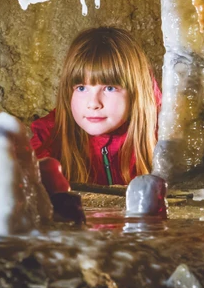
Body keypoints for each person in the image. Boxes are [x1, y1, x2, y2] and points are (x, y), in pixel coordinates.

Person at [31, 27, 161, 186]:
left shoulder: (164, 134)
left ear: (135, 92)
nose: (93, 103)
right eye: (81, 88)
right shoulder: (47, 139)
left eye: (109, 88)